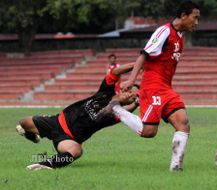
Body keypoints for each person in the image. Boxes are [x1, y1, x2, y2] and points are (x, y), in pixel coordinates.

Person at [109, 1, 200, 171]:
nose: (196, 23)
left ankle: (176, 167)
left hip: (166, 88)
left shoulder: (180, 37)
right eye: (195, 18)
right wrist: (130, 80)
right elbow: (144, 55)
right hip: (153, 87)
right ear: (183, 16)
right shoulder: (164, 31)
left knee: (183, 123)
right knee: (149, 131)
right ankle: (117, 110)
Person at [16, 62, 139, 171]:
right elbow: (115, 72)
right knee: (23, 122)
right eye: (130, 91)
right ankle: (33, 136)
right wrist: (138, 65)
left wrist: (137, 103)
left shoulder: (117, 114)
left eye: (132, 98)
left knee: (76, 151)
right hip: (56, 121)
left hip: (68, 138)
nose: (130, 96)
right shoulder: (105, 92)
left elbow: (128, 111)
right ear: (124, 88)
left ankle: (46, 165)